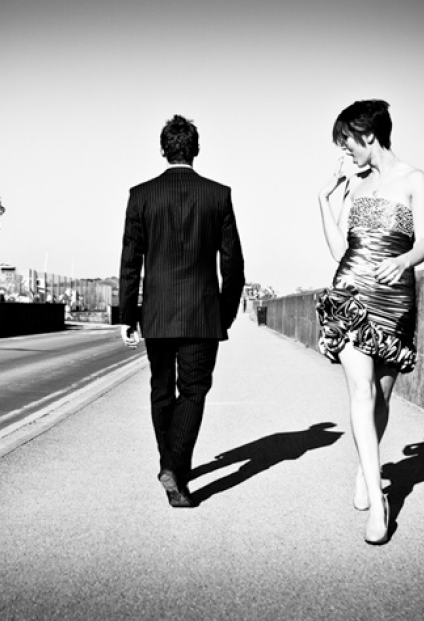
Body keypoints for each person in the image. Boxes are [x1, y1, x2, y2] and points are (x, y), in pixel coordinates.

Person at [315, 100, 424, 544]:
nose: (344, 151)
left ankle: (366, 471)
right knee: (361, 392)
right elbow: (338, 250)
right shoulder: (355, 186)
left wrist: (404, 260)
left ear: (368, 134)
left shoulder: (414, 179)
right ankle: (380, 501)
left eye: (347, 141)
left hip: (394, 297)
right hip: (351, 294)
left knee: (381, 398)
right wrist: (324, 199)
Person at [118, 114, 245, 508]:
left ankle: (170, 468)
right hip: (202, 313)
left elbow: (130, 262)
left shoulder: (141, 196)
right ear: (196, 149)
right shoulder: (218, 195)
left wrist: (127, 315)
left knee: (161, 390)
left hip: (157, 313)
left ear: (163, 150)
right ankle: (174, 468)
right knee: (193, 391)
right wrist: (224, 314)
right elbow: (233, 264)